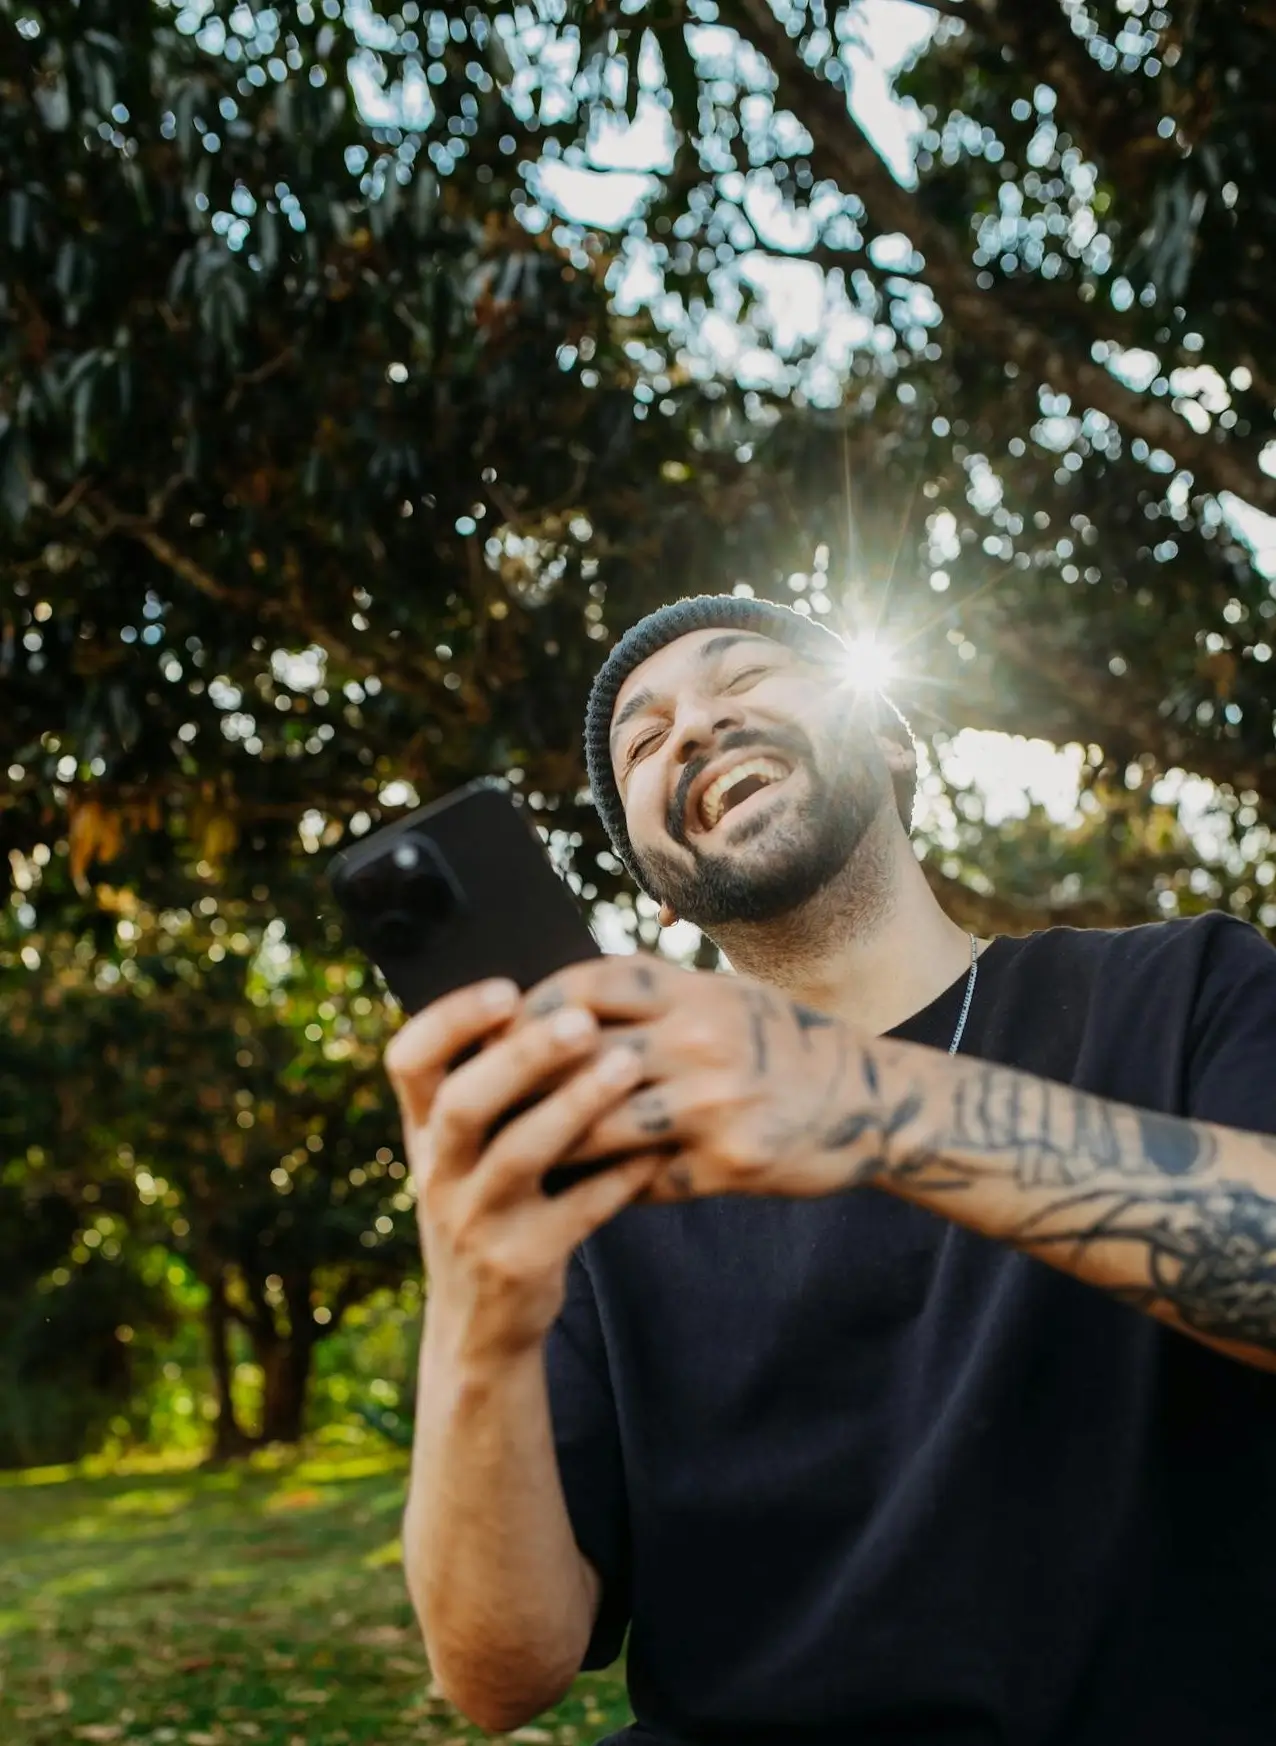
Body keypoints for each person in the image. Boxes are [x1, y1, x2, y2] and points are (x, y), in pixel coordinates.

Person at [389, 595, 1276, 1746]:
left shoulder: (1181, 987)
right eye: (646, 742)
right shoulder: (600, 1175)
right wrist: (476, 1313)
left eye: (743, 678)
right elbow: (499, 1676)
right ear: (657, 886)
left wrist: (857, 1099)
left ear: (890, 735)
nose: (697, 727)